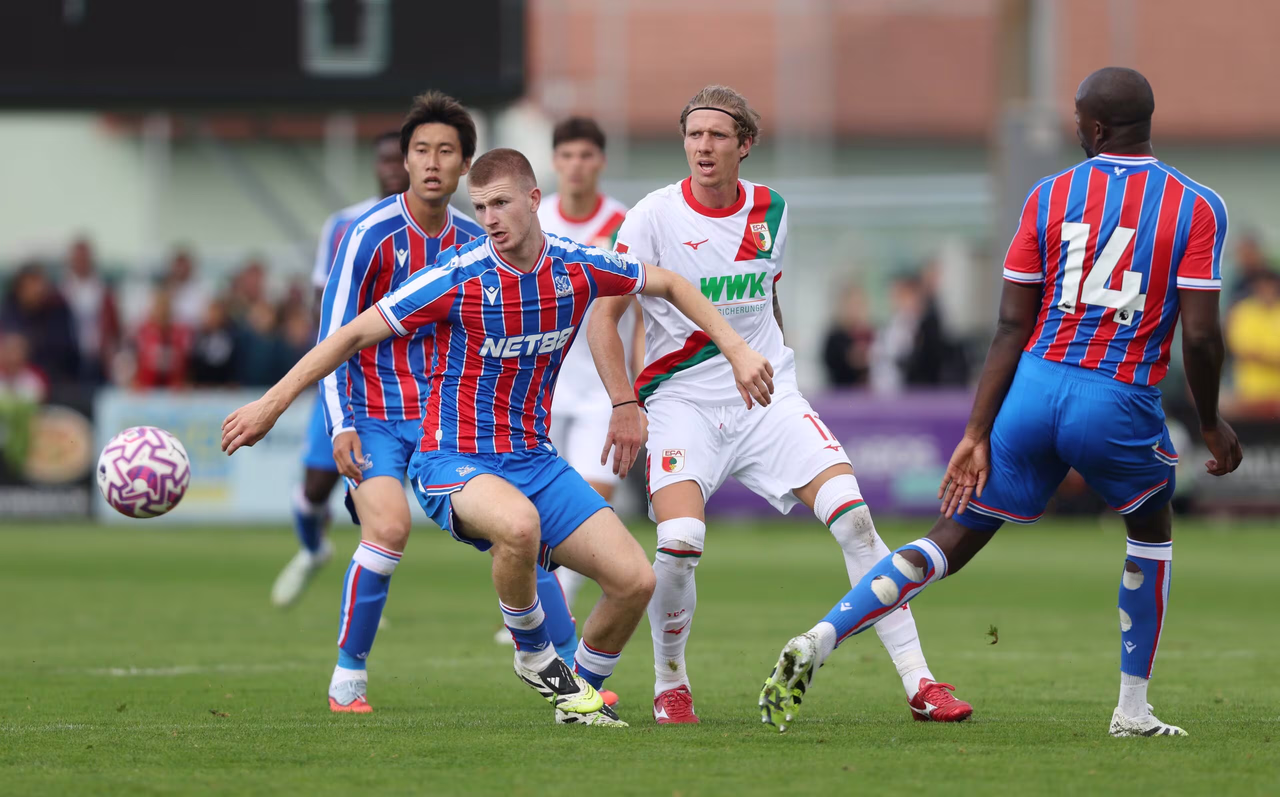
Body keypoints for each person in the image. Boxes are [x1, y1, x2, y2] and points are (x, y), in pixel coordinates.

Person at [758, 67, 1242, 739]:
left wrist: (975, 432)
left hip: (1033, 389)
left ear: (1097, 127)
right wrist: (1211, 420)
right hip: (1115, 394)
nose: (1076, 128)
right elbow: (1201, 333)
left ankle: (823, 633)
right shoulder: (1197, 205)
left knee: (949, 538)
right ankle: (1132, 709)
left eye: (1079, 119)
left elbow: (1011, 325)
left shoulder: (1049, 195)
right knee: (1151, 532)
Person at [222, 146, 774, 726]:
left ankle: (579, 692)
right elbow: (350, 335)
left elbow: (672, 284)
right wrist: (271, 404)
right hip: (452, 459)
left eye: (501, 204)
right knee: (518, 526)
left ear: (534, 200)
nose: (488, 218)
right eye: (480, 206)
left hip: (536, 461)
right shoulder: (457, 276)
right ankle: (532, 650)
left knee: (636, 581)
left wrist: (737, 350)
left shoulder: (577, 266)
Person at [590, 85, 970, 725]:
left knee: (855, 520)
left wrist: (777, 369)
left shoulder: (773, 209)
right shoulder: (651, 217)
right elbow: (605, 316)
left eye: (717, 135)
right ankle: (670, 681)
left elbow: (768, 298)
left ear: (745, 144)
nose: (703, 146)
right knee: (679, 542)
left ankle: (920, 683)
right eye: (694, 134)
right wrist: (624, 401)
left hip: (765, 398)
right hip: (681, 402)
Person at [271, 130, 409, 608]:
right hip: (345, 376)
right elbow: (321, 300)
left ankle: (370, 593)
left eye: (401, 159)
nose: (393, 168)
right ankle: (313, 550)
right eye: (385, 160)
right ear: (375, 165)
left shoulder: (443, 228)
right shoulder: (345, 224)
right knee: (314, 490)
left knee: (383, 503)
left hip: (409, 388)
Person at [525, 117, 642, 616]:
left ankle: (557, 607)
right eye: (567, 155)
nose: (576, 165)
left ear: (601, 161)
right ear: (554, 162)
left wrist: (637, 388)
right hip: (538, 387)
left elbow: (641, 314)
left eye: (586, 155)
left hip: (601, 390)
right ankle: (533, 609)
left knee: (589, 503)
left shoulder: (625, 224)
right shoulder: (535, 220)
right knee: (531, 508)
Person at [1, 263, 80, 387]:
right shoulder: (9, 310)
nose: (38, 289)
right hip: (18, 380)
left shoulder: (57, 307)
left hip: (56, 379)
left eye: (40, 283)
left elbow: (65, 349)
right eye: (32, 283)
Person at [60, 237, 120, 384]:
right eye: (77, 258)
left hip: (97, 356)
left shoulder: (103, 291)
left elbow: (114, 327)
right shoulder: (62, 291)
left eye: (84, 258)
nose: (81, 262)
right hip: (70, 356)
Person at [1226, 270, 1280, 409]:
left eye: (1270, 286)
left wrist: (1262, 355)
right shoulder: (1242, 311)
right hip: (1250, 391)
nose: (1266, 291)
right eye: (1262, 286)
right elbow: (1243, 350)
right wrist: (1273, 357)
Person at [821, 284, 874, 387]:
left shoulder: (871, 334)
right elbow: (830, 365)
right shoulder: (835, 337)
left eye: (859, 304)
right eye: (852, 304)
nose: (856, 309)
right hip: (841, 392)